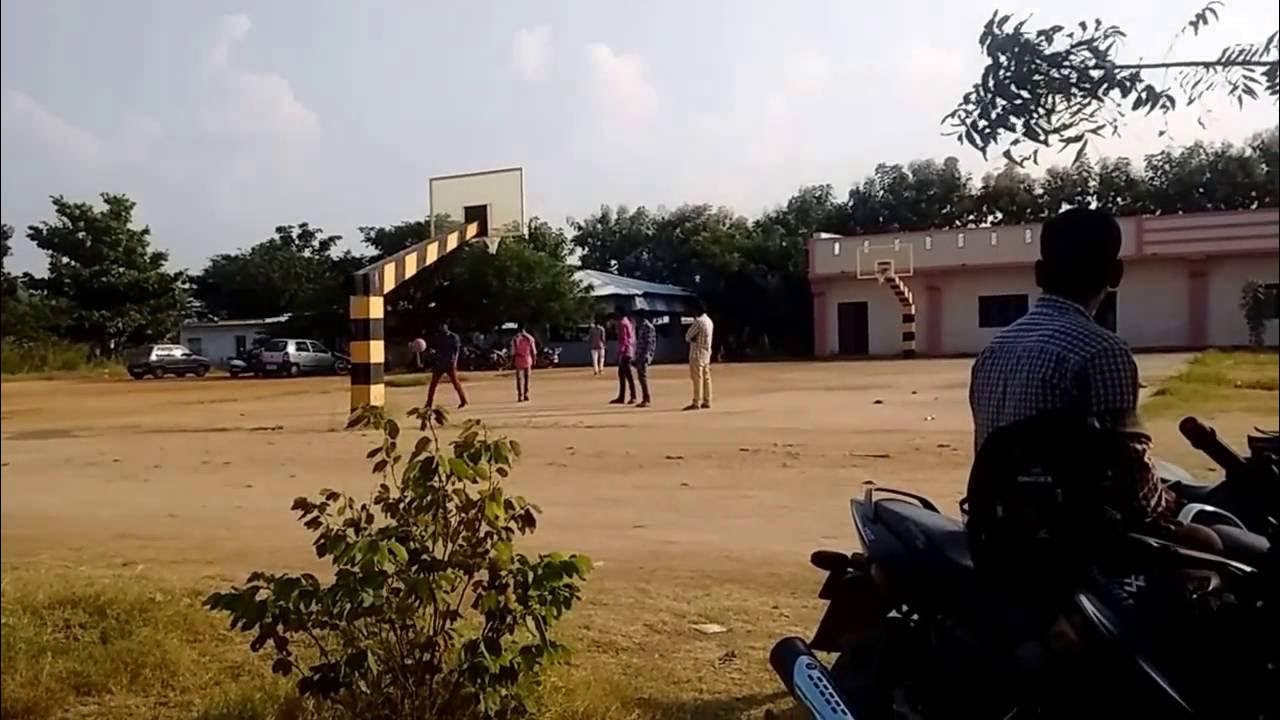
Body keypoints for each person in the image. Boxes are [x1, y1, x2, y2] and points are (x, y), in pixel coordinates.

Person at [968, 207, 1217, 551]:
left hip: (1000, 533)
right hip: (1076, 541)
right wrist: (1171, 505)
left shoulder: (994, 349)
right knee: (1216, 543)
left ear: (1039, 273)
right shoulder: (1102, 351)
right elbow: (1128, 474)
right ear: (1116, 273)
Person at [426, 320, 468, 409]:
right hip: (439, 363)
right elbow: (434, 349)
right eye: (441, 326)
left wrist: (455, 361)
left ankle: (463, 400)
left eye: (443, 326)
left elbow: (457, 350)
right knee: (433, 384)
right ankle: (429, 403)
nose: (442, 327)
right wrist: (433, 352)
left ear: (447, 326)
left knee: (456, 383)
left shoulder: (453, 336)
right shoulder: (437, 337)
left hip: (450, 363)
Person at [684, 301, 714, 410]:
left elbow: (688, 336)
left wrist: (693, 339)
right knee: (706, 378)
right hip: (706, 353)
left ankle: (696, 401)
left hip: (696, 353)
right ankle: (707, 400)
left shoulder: (699, 322)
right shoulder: (709, 321)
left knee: (697, 378)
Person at [610, 305, 637, 404]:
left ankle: (632, 396)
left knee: (627, 375)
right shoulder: (628, 322)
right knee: (622, 374)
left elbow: (624, 340)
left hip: (625, 352)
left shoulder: (622, 323)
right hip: (628, 350)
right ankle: (622, 396)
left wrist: (620, 353)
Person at [633, 311, 657, 407]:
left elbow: (650, 342)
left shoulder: (648, 327)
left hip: (643, 355)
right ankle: (645, 397)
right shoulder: (641, 327)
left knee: (643, 376)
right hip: (639, 355)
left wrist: (647, 355)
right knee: (640, 377)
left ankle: (646, 398)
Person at [511, 323, 537, 403]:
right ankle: (525, 394)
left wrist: (512, 361)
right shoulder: (529, 338)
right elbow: (534, 351)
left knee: (519, 378)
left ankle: (520, 395)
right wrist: (534, 359)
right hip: (527, 358)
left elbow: (513, 351)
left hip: (519, 358)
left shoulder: (515, 338)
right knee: (527, 377)